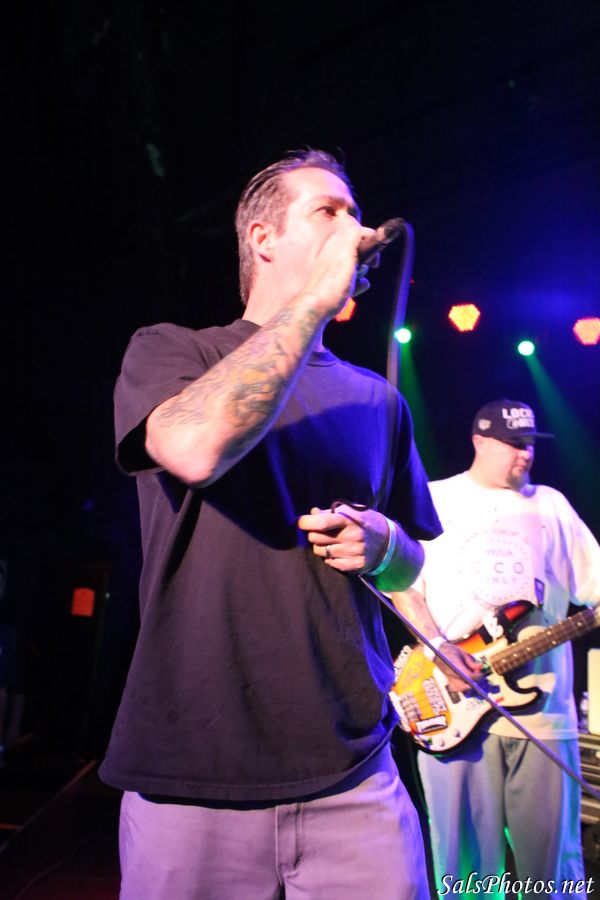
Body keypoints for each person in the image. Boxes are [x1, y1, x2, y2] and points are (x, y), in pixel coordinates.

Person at [99, 149, 442, 900]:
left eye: (356, 213)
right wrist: (313, 300)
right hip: (192, 774)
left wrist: (386, 545)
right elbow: (195, 447)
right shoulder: (174, 350)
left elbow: (413, 564)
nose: (354, 229)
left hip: (354, 773)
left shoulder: (378, 400)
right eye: (329, 212)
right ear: (262, 238)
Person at [392, 399, 600, 898]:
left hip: (543, 715)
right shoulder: (436, 498)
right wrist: (439, 648)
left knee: (551, 873)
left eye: (530, 443)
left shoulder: (551, 505)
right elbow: (403, 588)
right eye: (513, 443)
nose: (525, 453)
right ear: (479, 442)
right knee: (464, 869)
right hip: (452, 707)